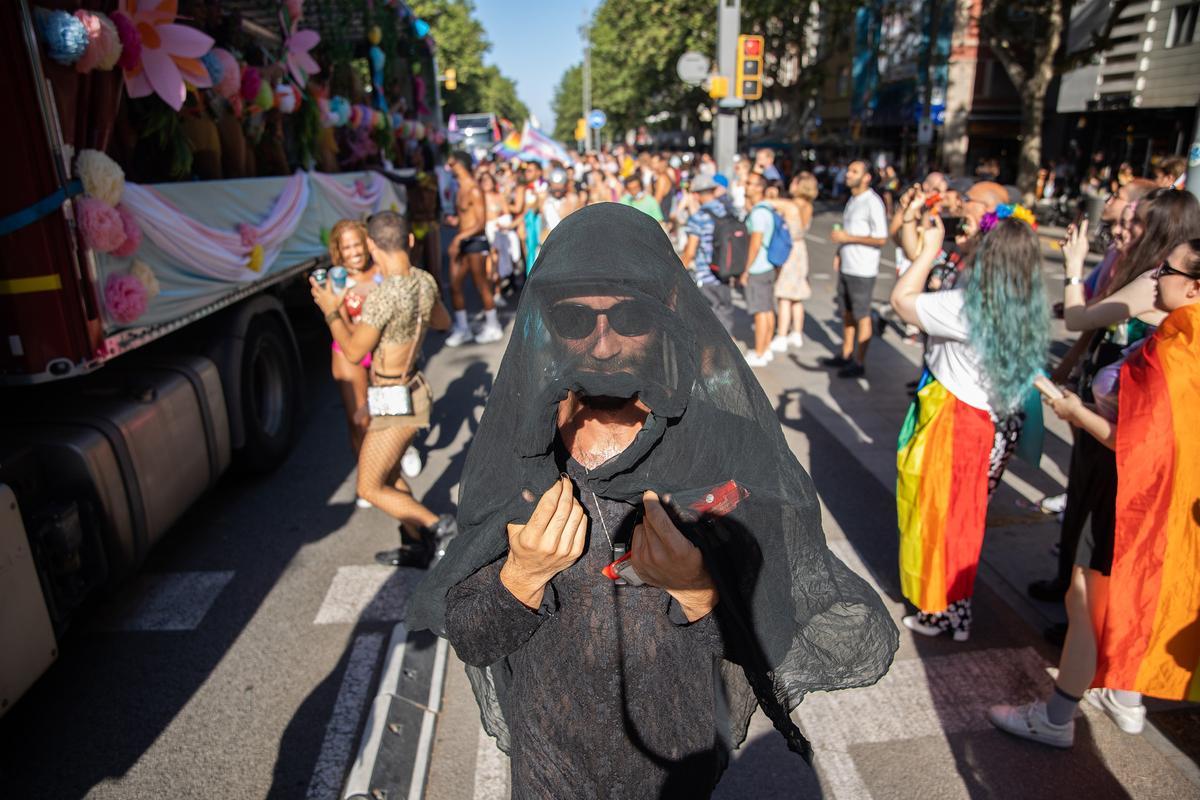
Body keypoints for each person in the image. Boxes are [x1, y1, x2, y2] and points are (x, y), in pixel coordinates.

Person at [407, 202, 897, 799]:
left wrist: (697, 591)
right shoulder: (523, 457)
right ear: (546, 324)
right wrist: (519, 579)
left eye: (629, 317)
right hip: (547, 775)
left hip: (675, 771)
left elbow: (771, 633)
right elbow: (474, 637)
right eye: (574, 320)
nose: (604, 345)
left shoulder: (727, 448)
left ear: (667, 309)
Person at [988, 235, 1200, 747]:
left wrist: (1076, 414)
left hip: (1131, 488)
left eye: (1164, 272)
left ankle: (1056, 718)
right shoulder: (1179, 337)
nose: (1154, 278)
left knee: (1086, 594)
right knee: (1118, 590)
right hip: (1162, 497)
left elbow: (1132, 439)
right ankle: (1123, 694)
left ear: (1193, 286)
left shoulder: (1179, 349)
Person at [891, 208, 1050, 641]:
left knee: (940, 517)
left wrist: (928, 251)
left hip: (957, 420)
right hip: (992, 422)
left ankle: (944, 613)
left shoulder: (965, 305)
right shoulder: (1018, 299)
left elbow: (902, 300)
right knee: (964, 519)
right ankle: (953, 607)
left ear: (989, 254)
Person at [310, 211, 457, 567]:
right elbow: (443, 322)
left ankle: (438, 527)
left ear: (372, 246)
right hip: (405, 389)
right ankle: (413, 543)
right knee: (388, 474)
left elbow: (354, 351)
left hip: (397, 399)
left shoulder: (382, 296)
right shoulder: (423, 281)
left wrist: (331, 311)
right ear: (410, 240)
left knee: (368, 486)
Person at [823, 161, 888, 378]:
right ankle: (846, 353)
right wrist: (840, 251)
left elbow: (881, 238)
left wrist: (847, 238)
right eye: (848, 170)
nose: (848, 174)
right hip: (848, 265)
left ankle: (859, 362)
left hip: (863, 268)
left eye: (854, 171)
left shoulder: (873, 202)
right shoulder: (853, 199)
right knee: (847, 312)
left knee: (862, 314)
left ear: (867, 177)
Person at [445, 151, 503, 347]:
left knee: (481, 285)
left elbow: (480, 223)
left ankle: (493, 326)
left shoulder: (474, 190)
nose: (449, 168)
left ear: (460, 165)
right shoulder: (460, 188)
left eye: (452, 164)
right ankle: (463, 328)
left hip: (475, 242)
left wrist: (459, 237)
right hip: (463, 242)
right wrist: (455, 222)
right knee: (454, 285)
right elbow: (466, 217)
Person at [681, 174, 736, 335]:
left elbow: (690, 251)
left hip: (706, 275)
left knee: (707, 323)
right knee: (724, 314)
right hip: (726, 272)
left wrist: (678, 272)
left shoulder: (698, 217)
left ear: (696, 194)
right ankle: (730, 354)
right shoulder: (729, 211)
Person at [741, 171, 778, 366]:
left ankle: (760, 352)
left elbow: (755, 243)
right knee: (767, 309)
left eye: (750, 183)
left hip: (758, 267)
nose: (746, 185)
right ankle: (767, 347)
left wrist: (746, 269)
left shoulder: (759, 213)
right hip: (768, 265)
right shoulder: (766, 209)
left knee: (760, 311)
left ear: (759, 188)